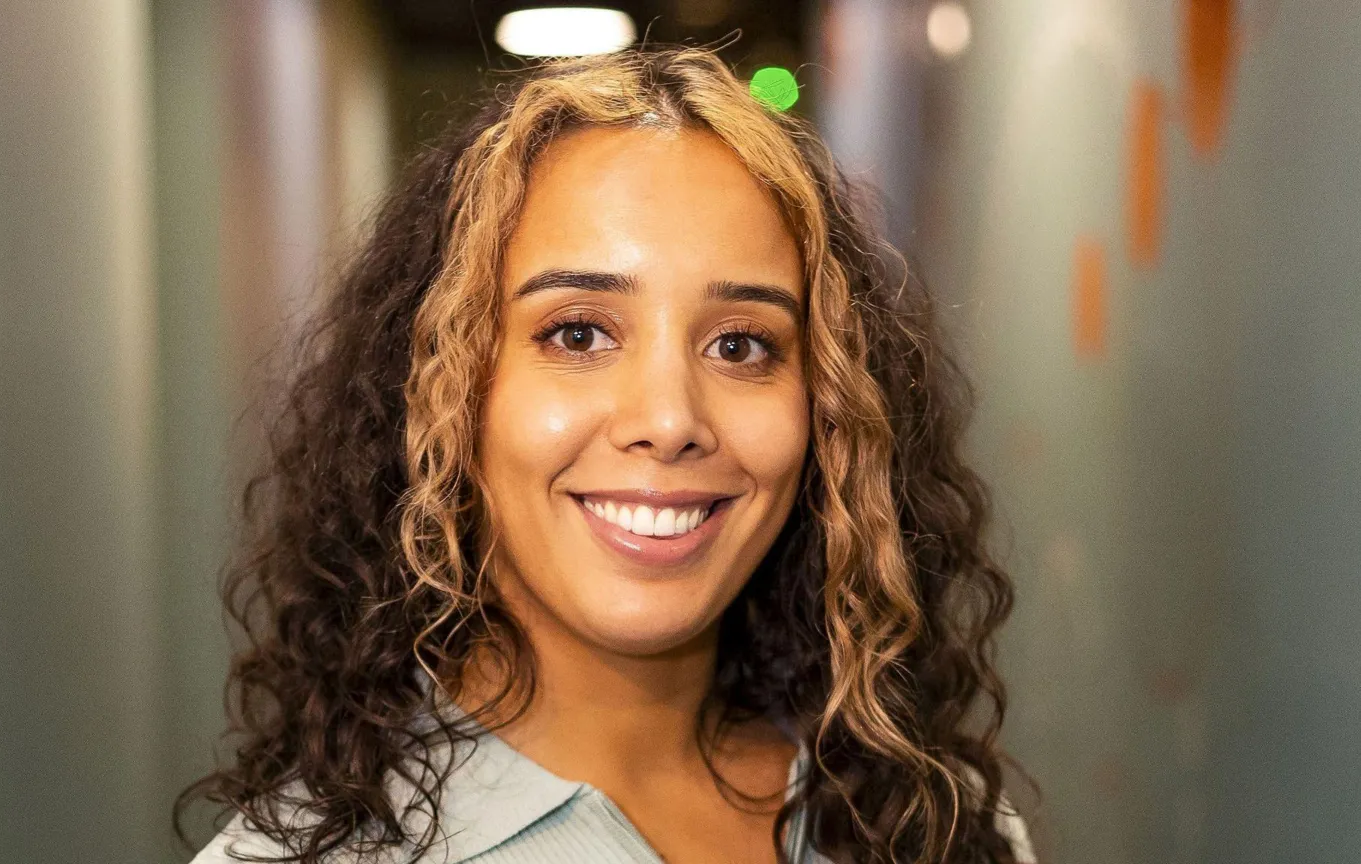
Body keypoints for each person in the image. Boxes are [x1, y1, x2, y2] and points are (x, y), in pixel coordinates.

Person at [177, 46, 1036, 864]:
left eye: (741, 346)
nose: (669, 420)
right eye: (577, 332)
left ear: (833, 411)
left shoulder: (937, 823)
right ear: (441, 391)